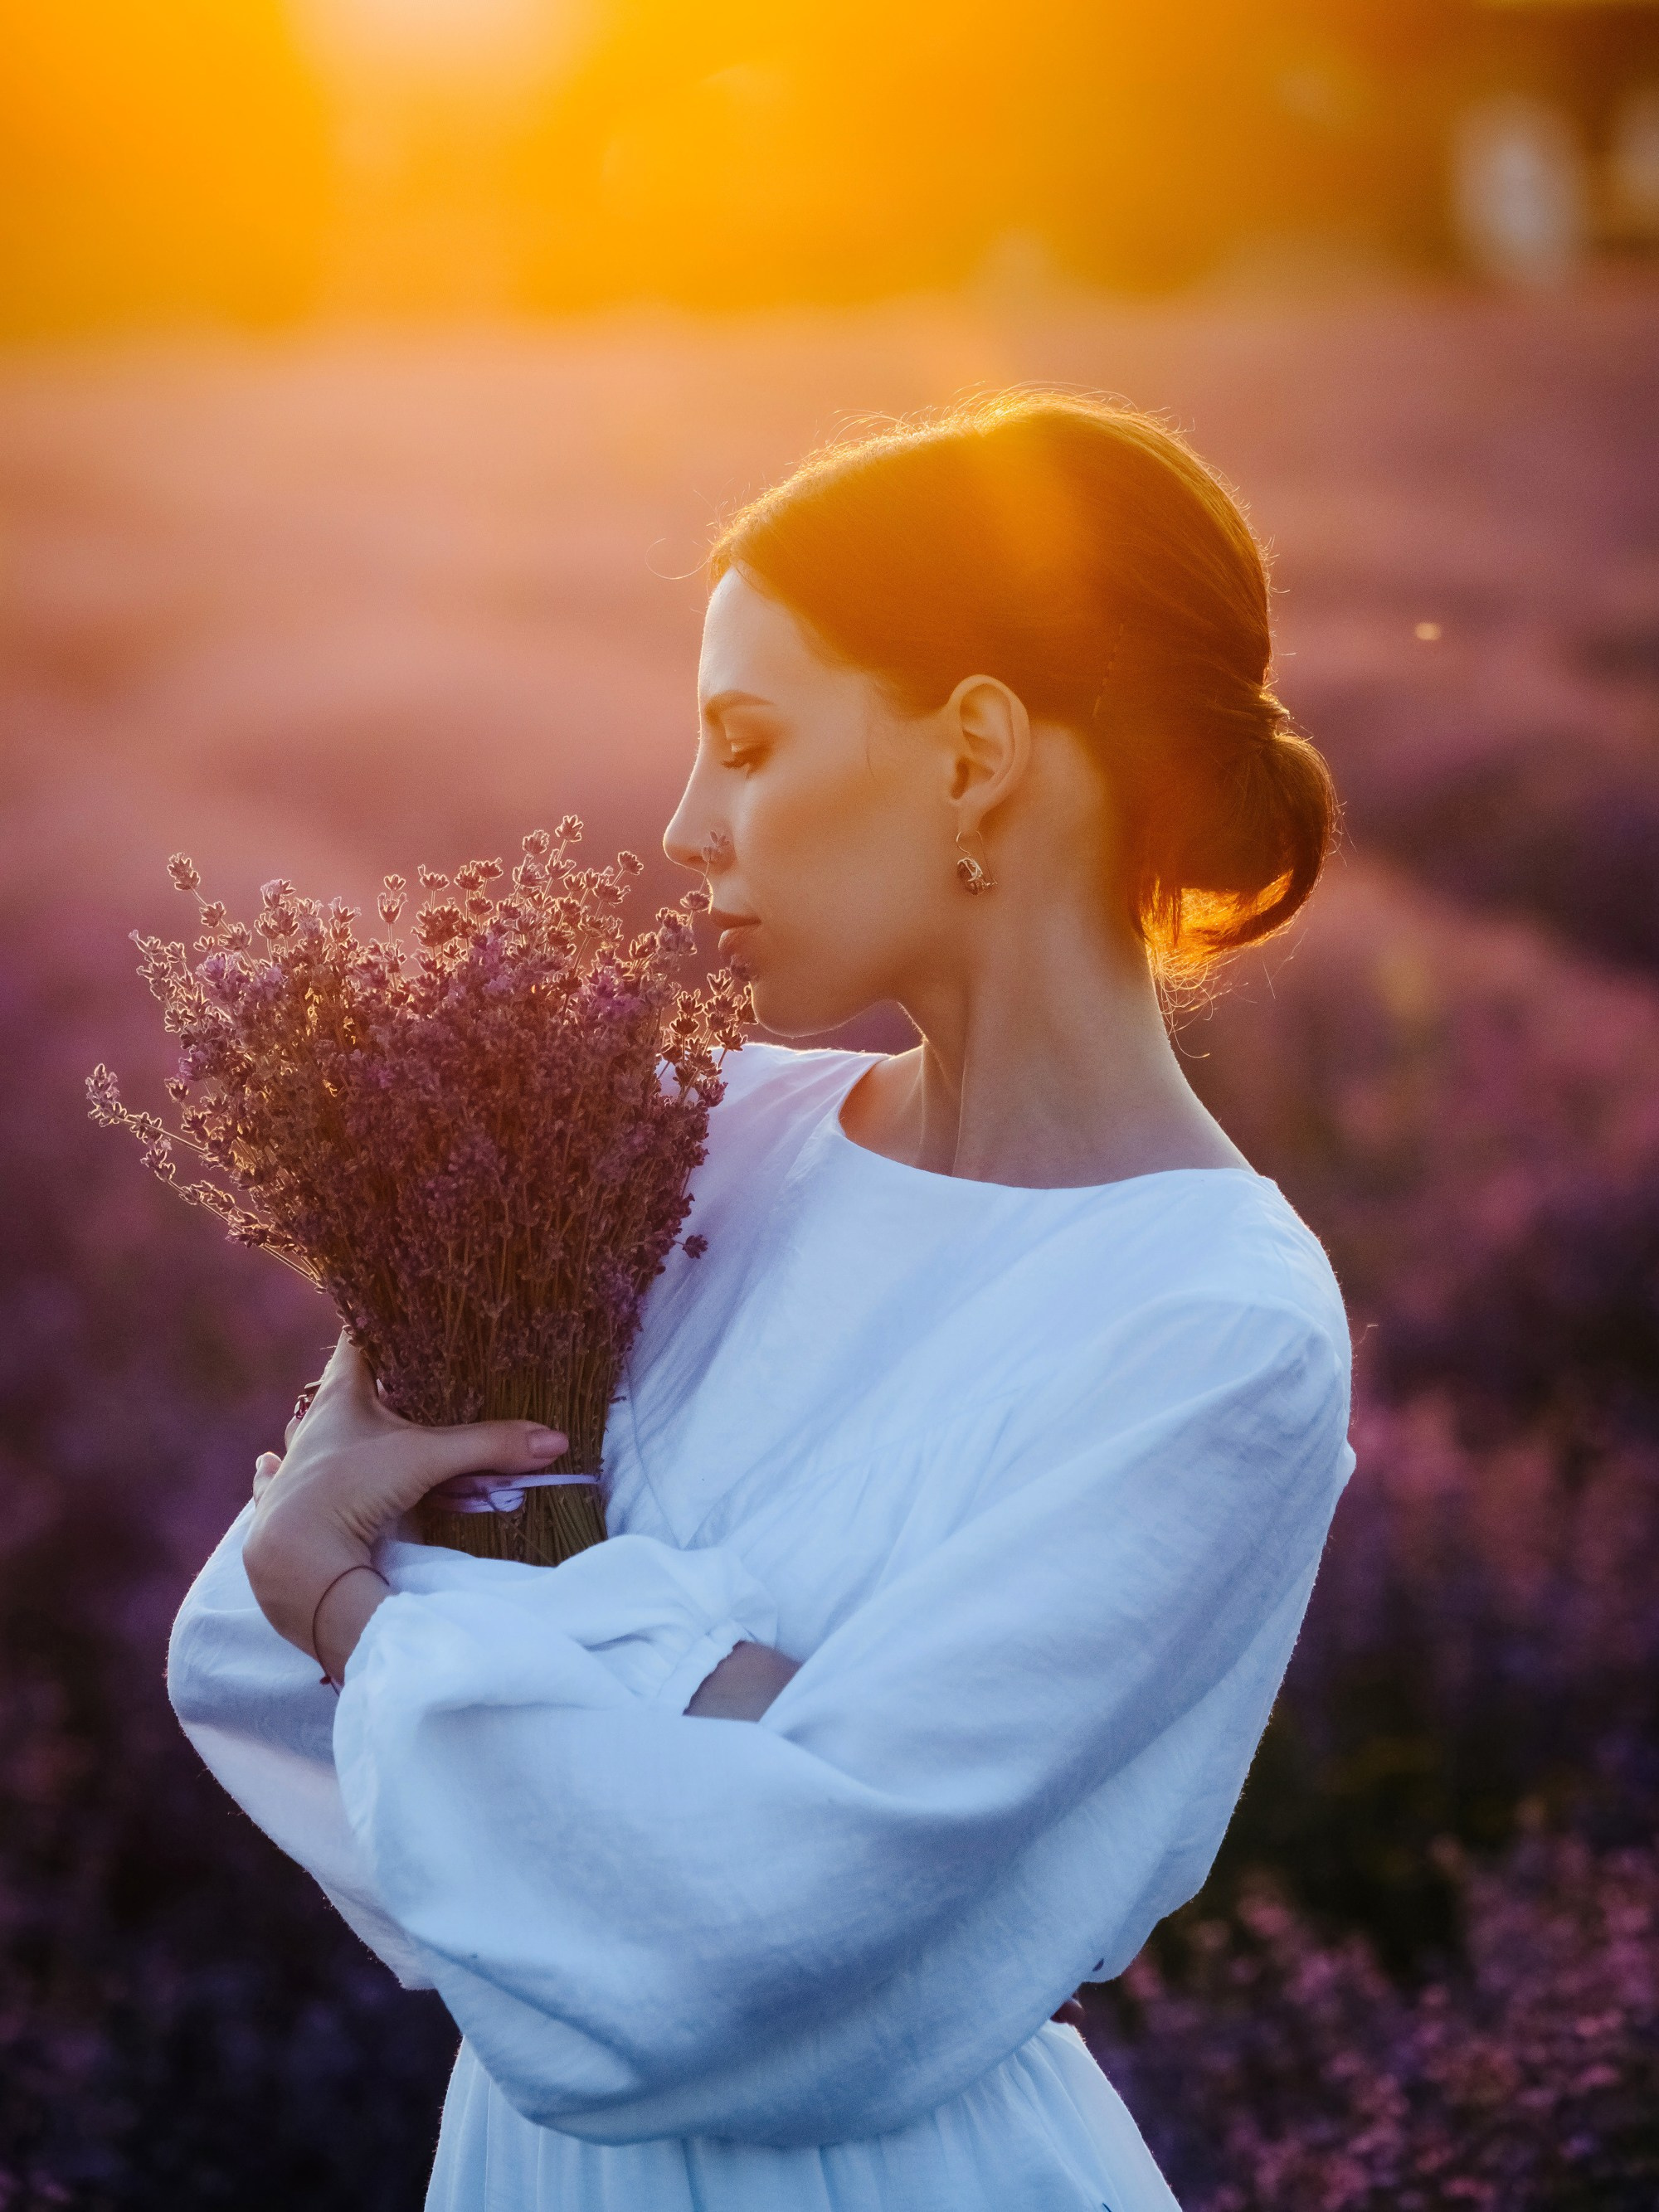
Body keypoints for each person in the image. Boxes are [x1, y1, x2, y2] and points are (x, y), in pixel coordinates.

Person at [169, 392, 1354, 2211]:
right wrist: (710, 1699)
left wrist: (373, 1604)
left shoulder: (1217, 1329)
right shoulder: (679, 1144)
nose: (681, 824)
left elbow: (752, 1929)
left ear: (972, 750)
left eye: (746, 741)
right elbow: (246, 1654)